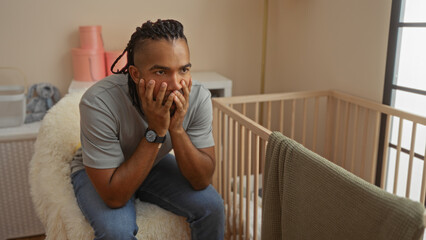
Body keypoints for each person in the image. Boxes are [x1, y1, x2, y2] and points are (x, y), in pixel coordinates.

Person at [70, 19, 225, 240]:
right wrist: (156, 130)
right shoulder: (98, 102)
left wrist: (177, 129)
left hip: (154, 163)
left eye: (183, 70)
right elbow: (115, 197)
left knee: (212, 206)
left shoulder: (198, 96)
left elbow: (202, 180)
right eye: (161, 72)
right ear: (135, 74)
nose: (175, 83)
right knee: (116, 232)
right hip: (103, 172)